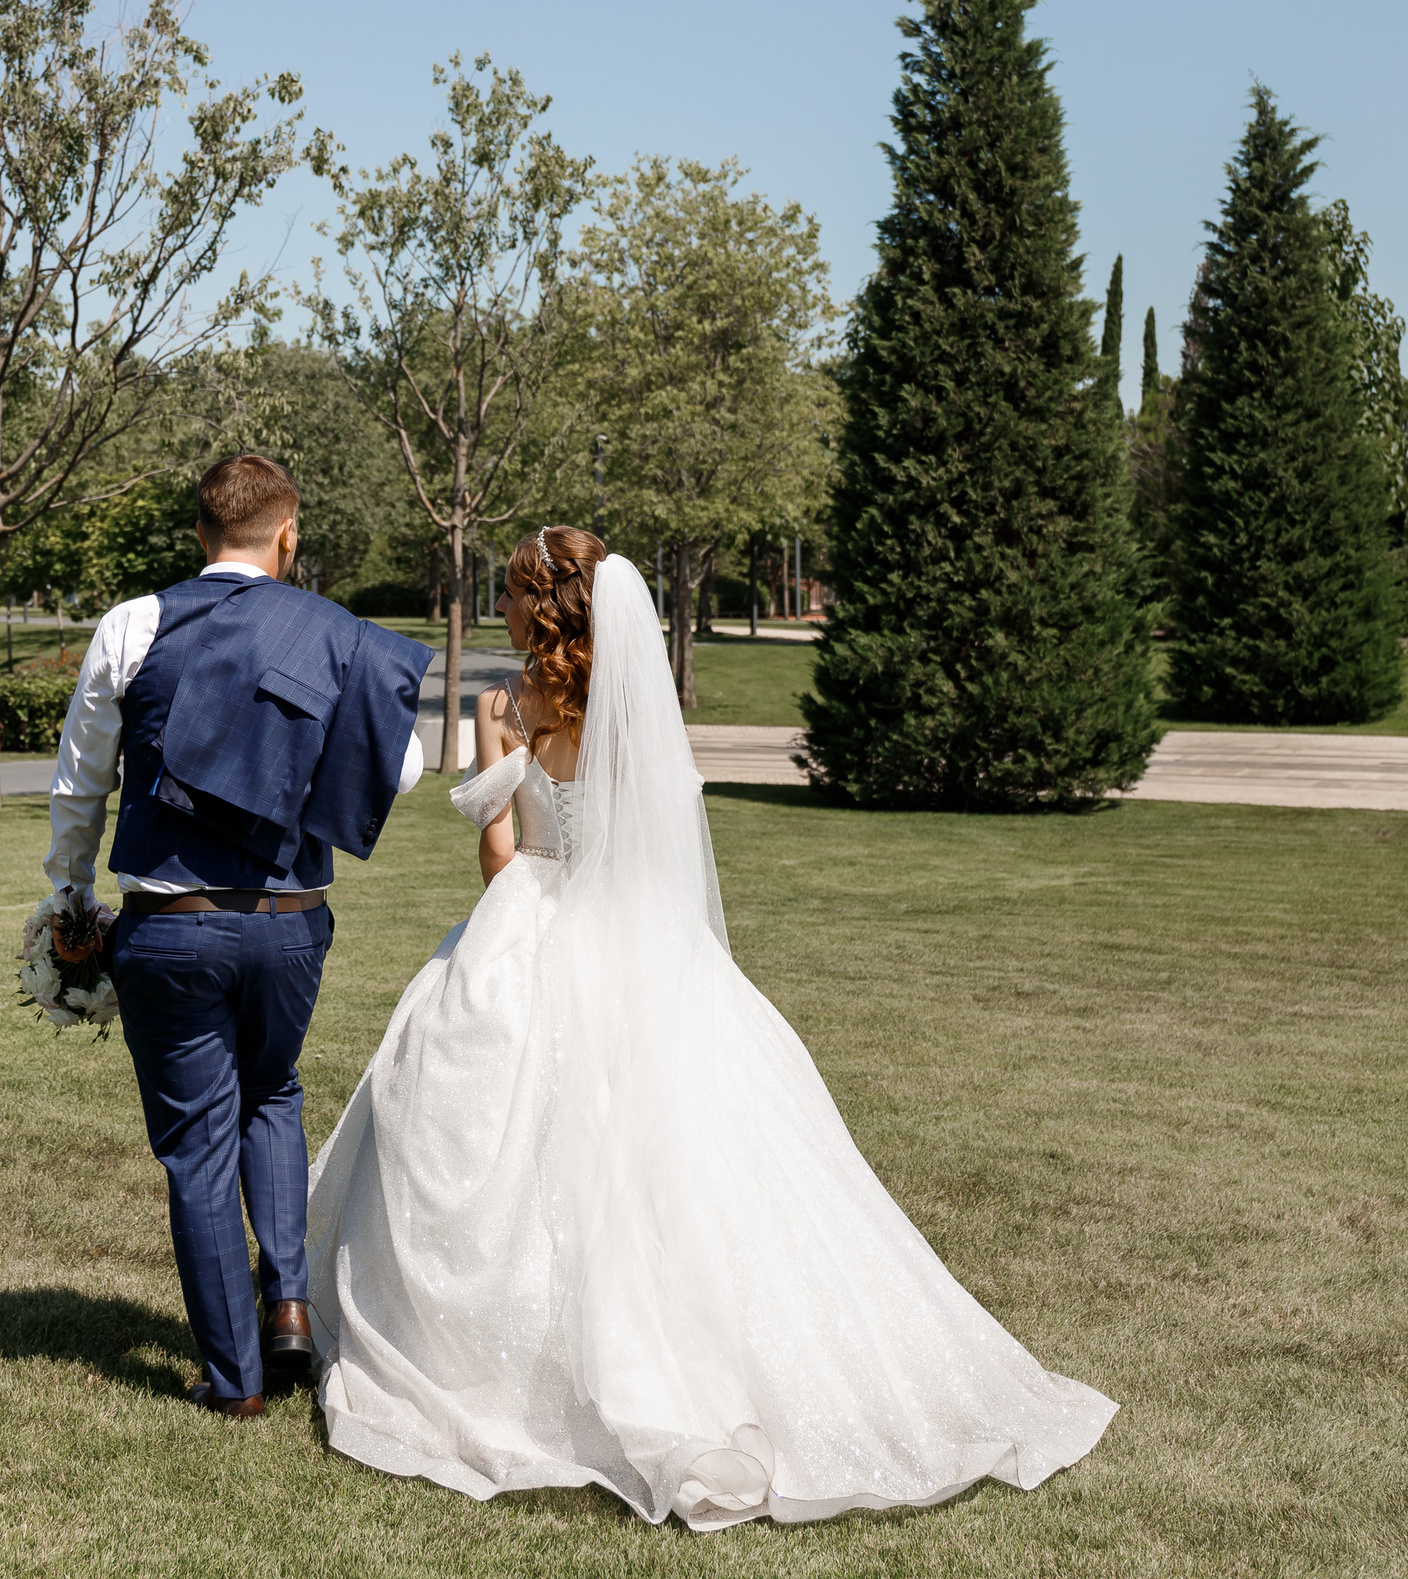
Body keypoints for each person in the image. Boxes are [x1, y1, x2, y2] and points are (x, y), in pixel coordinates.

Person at [304, 526, 1117, 1527]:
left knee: (473, 1117)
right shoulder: (631, 710)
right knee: (669, 1148)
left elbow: (500, 863)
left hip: (527, 924)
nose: (500, 607)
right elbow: (652, 852)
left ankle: (480, 1351)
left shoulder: (502, 708)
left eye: (508, 593)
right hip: (638, 937)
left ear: (540, 607)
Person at [45, 454, 432, 1420]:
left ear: (201, 531)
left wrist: (69, 893)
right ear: (287, 534)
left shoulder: (133, 624)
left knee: (197, 1144)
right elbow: (407, 767)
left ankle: (234, 1380)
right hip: (290, 922)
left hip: (170, 924)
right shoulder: (335, 634)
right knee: (274, 1090)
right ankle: (288, 1303)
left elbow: (82, 777)